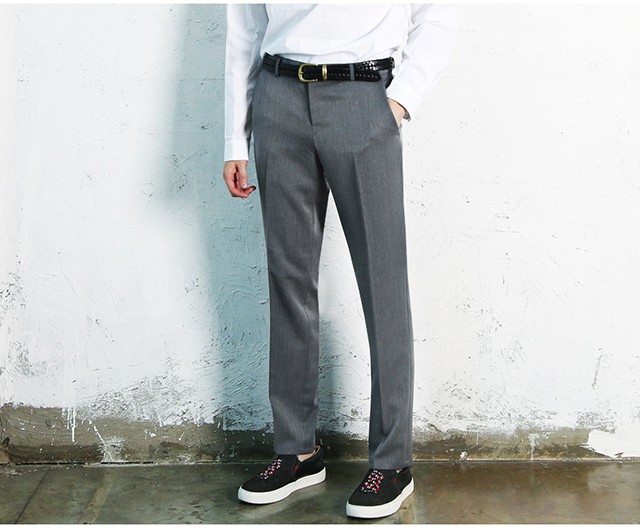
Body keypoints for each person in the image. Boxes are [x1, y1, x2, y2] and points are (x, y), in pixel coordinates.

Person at [222, 4, 457, 519]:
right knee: (289, 279)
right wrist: (235, 139)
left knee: (383, 284)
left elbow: (437, 15)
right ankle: (297, 451)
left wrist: (399, 101)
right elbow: (245, 29)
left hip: (362, 97)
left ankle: (392, 463)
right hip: (279, 96)